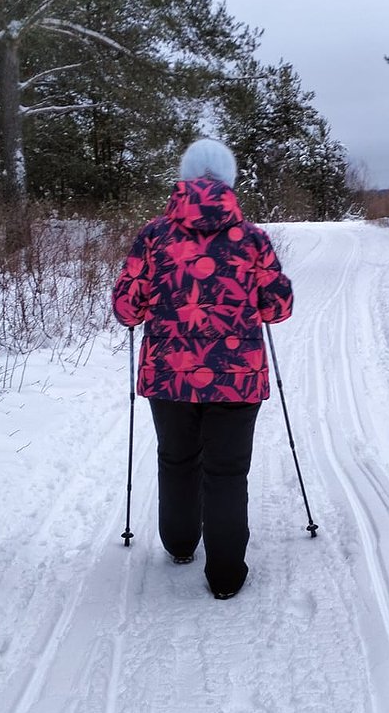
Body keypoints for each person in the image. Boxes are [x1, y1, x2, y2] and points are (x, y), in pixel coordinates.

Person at [112, 138, 293, 600]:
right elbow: (278, 307)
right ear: (229, 182)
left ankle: (179, 544)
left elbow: (127, 308)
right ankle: (226, 575)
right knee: (227, 473)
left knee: (177, 460)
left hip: (169, 376)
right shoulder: (252, 238)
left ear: (185, 179)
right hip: (237, 378)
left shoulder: (153, 236)